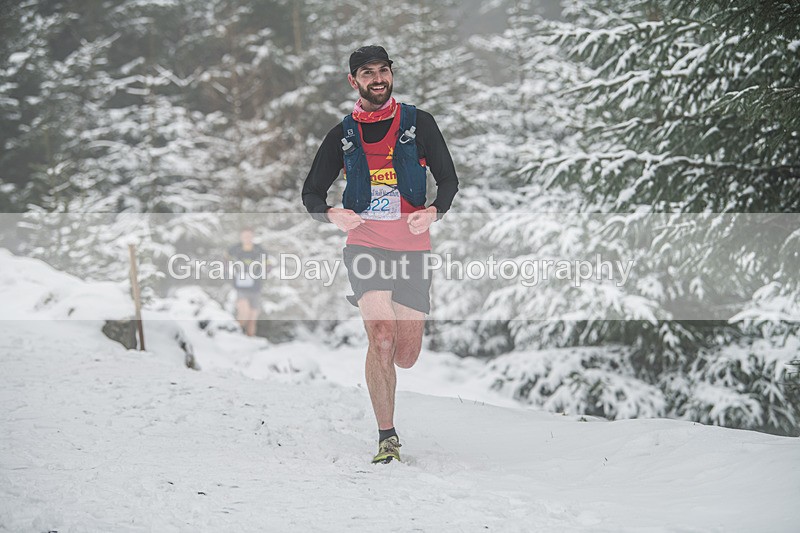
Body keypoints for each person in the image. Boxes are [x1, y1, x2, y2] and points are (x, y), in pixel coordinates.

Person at [302, 45, 459, 463]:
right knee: (382, 337)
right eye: (367, 72)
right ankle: (386, 437)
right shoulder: (343, 134)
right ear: (353, 81)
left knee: (405, 355)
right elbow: (311, 194)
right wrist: (332, 214)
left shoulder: (417, 123)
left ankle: (386, 365)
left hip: (412, 249)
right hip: (366, 245)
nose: (377, 78)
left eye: (383, 71)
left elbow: (448, 180)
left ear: (391, 75)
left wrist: (433, 211)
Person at [225, 227, 266, 337]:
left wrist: (261, 270)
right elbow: (224, 263)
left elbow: (268, 265)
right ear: (241, 237)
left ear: (253, 237)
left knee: (252, 318)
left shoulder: (259, 250)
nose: (247, 238)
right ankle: (233, 336)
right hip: (240, 287)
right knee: (244, 313)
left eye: (249, 236)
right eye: (245, 236)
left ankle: (250, 340)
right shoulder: (234, 250)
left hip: (256, 287)